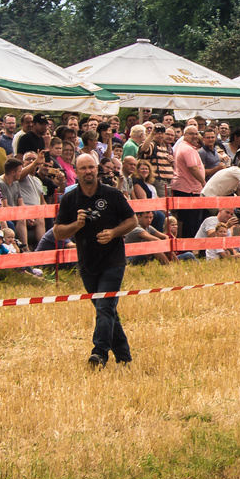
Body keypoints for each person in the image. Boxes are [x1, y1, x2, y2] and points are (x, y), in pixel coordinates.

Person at [54, 153, 138, 368]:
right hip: (87, 262)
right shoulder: (70, 199)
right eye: (82, 168)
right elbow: (58, 232)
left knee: (105, 307)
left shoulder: (112, 194)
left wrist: (114, 232)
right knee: (106, 309)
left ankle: (99, 353)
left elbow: (132, 220)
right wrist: (76, 225)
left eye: (91, 167)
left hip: (113, 260)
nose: (88, 171)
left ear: (97, 169)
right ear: (75, 171)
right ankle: (124, 356)